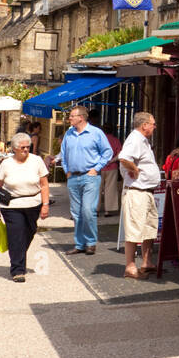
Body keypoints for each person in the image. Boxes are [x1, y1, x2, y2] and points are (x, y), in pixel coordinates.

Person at [0, 132, 50, 283]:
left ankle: (18, 253)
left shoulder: (37, 161)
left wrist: (45, 204)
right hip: (12, 205)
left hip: (33, 203)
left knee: (29, 233)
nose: (25, 150)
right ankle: (18, 269)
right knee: (16, 234)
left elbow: (44, 184)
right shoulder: (6, 163)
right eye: (22, 147)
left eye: (27, 147)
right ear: (15, 148)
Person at [57, 104, 114, 255]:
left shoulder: (96, 133)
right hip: (73, 177)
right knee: (76, 213)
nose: (69, 118)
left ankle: (91, 242)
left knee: (88, 210)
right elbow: (63, 154)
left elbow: (107, 152)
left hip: (90, 177)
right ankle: (79, 244)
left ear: (81, 118)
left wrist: (96, 169)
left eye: (72, 116)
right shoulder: (69, 134)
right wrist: (67, 171)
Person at [117, 111, 160, 279]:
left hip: (146, 192)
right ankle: (130, 266)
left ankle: (147, 261)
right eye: (153, 124)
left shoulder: (143, 141)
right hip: (137, 192)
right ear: (144, 125)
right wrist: (134, 169)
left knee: (149, 228)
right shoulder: (135, 139)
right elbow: (123, 158)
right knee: (134, 230)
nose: (154, 127)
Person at [94, 113, 123, 218]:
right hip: (112, 167)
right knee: (110, 188)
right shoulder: (116, 140)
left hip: (99, 167)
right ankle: (108, 210)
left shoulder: (98, 140)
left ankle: (95, 210)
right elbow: (120, 154)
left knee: (97, 188)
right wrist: (111, 161)